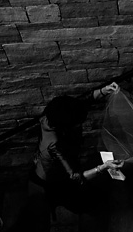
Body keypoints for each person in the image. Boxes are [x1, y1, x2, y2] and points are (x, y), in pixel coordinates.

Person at [28, 83, 126, 220]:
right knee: (78, 201)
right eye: (78, 123)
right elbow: (74, 177)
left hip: (58, 164)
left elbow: (80, 103)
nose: (81, 125)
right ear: (68, 126)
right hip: (54, 180)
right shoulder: (55, 145)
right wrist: (104, 167)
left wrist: (103, 91)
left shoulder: (54, 113)